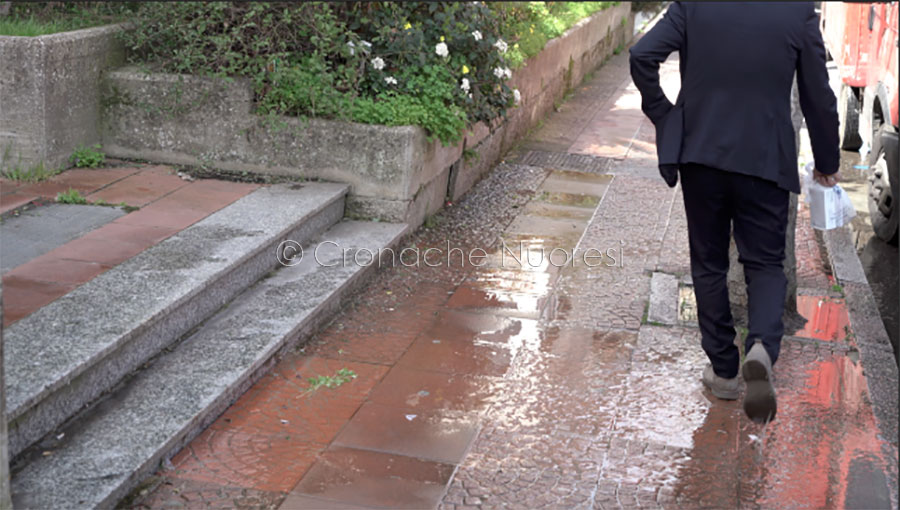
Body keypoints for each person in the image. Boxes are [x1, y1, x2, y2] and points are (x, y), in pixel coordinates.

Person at [629, 2, 840, 423]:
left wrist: (666, 116)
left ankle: (724, 370)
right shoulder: (796, 12)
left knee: (708, 261)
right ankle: (761, 346)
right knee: (764, 263)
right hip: (765, 158)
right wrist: (827, 161)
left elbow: (641, 55)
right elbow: (818, 93)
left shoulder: (694, 5)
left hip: (700, 154)